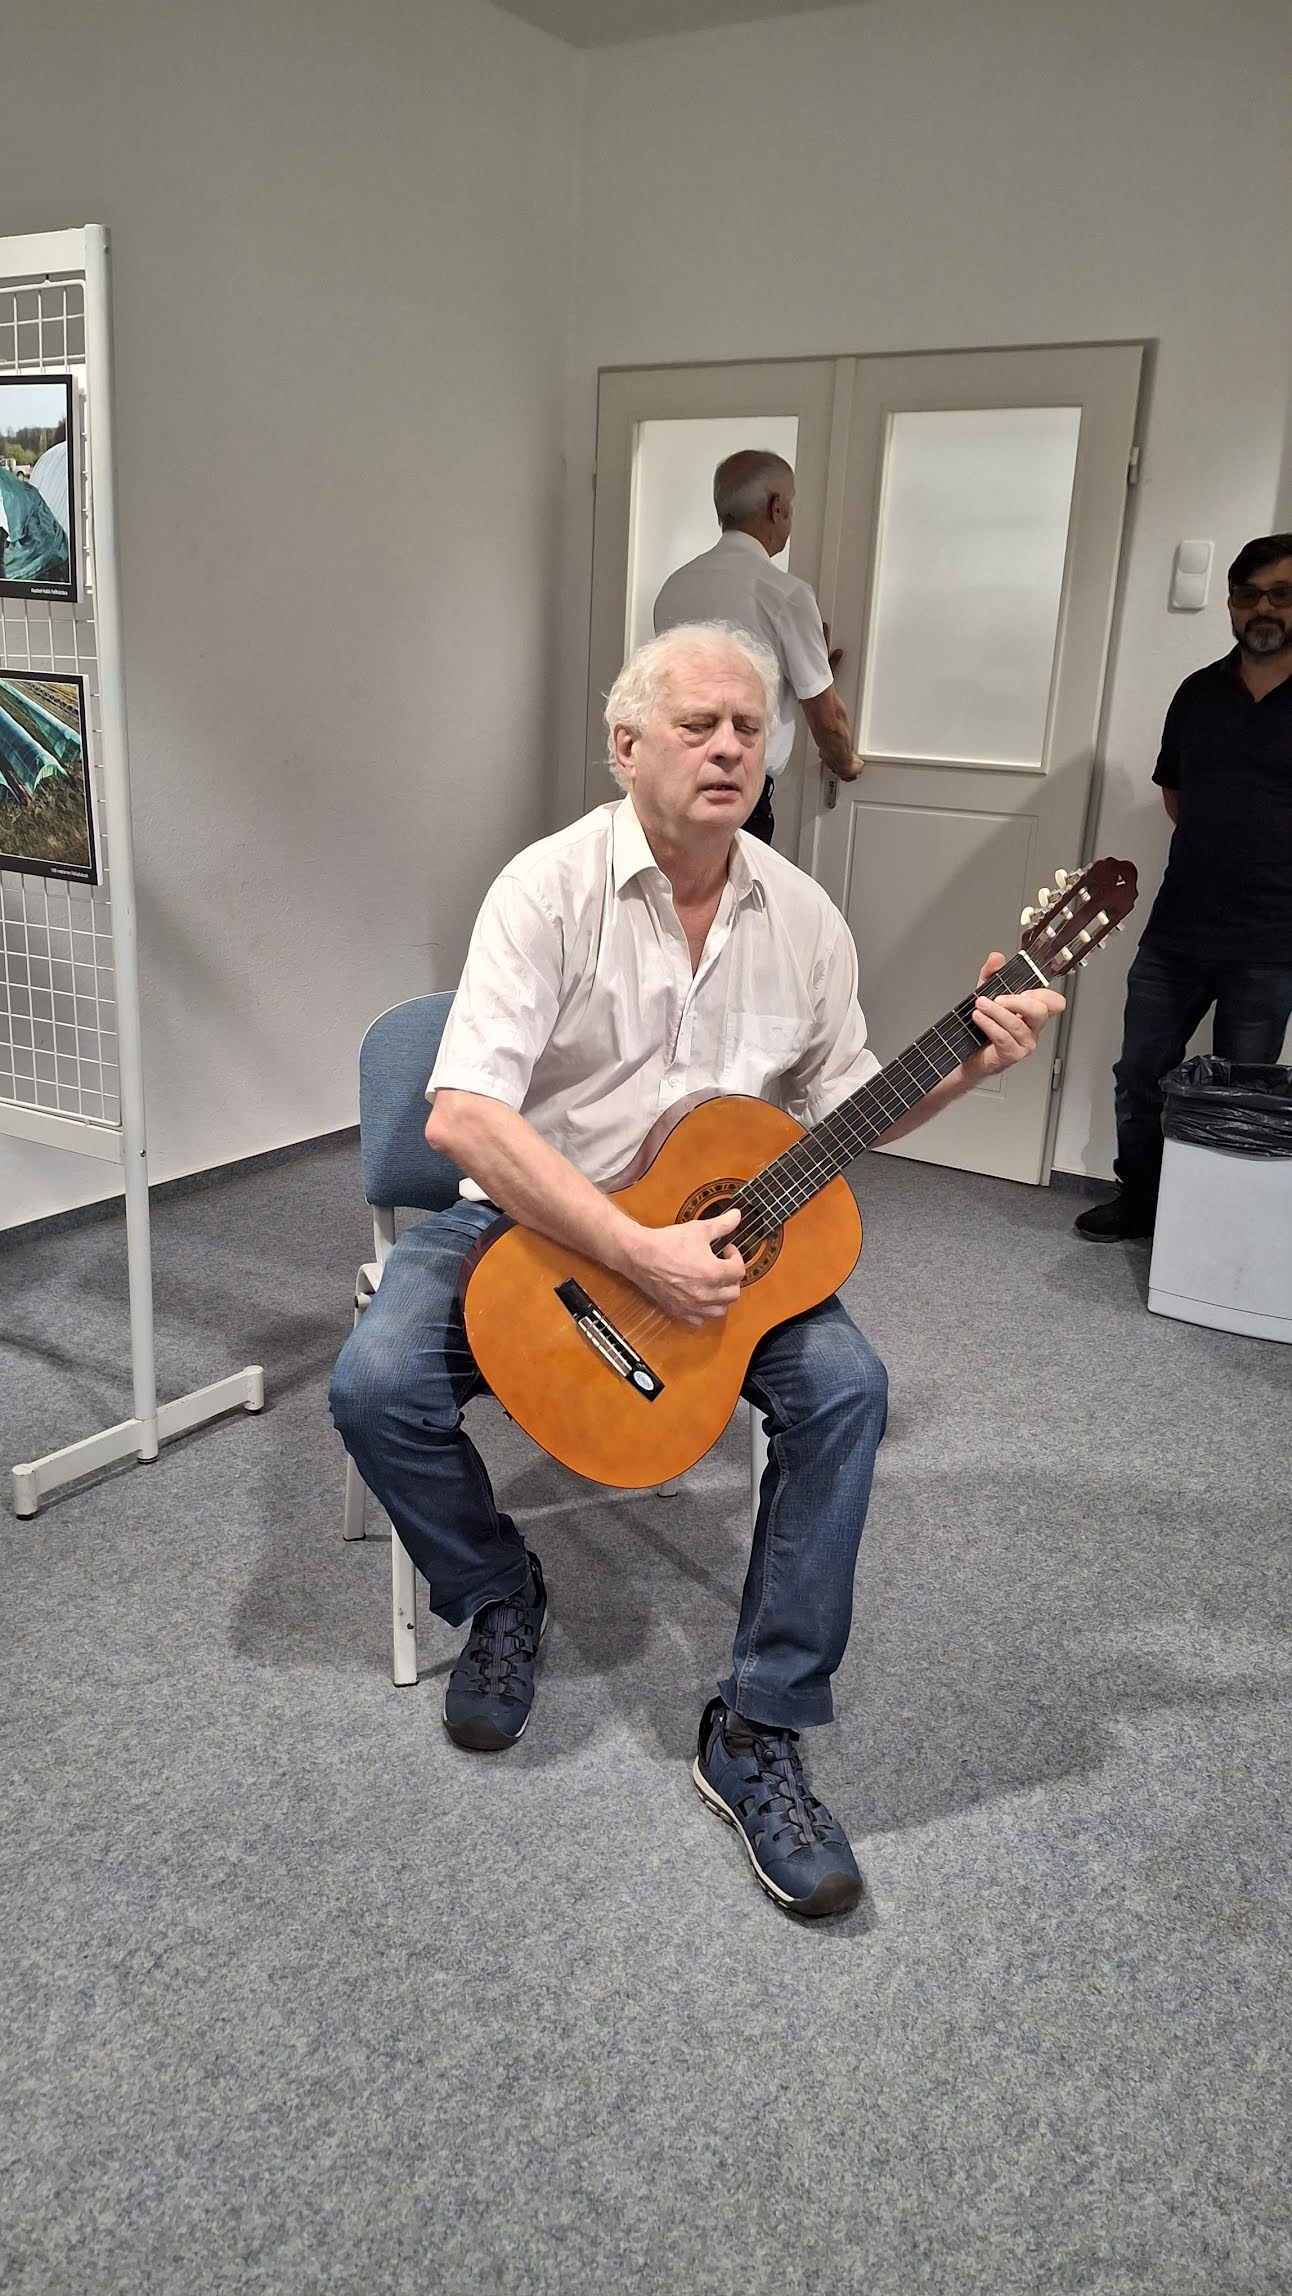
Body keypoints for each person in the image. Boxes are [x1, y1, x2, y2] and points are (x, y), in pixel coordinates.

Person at [329, 623, 1063, 1919]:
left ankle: (757, 1726)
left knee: (846, 1389)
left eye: (750, 727)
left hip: (721, 1247)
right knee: (375, 1384)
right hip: (535, 1225)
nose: (731, 747)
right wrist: (633, 1251)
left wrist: (969, 1063)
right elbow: (464, 1121)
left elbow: (846, 1110)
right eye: (697, 725)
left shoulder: (805, 919)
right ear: (626, 748)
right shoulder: (545, 890)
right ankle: (499, 1589)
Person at [1076, 533, 1292, 1241]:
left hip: (1272, 940)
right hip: (1178, 928)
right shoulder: (1198, 692)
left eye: (1282, 595)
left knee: (1240, 1095)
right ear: (1231, 605)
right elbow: (1176, 797)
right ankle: (1140, 1199)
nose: (1264, 609)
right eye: (1248, 595)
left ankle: (1212, 1230)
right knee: (1140, 1072)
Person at [651, 449, 863, 846]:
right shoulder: (785, 595)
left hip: (676, 782)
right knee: (735, 886)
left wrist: (800, 671)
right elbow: (828, 721)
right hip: (738, 792)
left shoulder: (675, 586)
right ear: (776, 506)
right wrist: (847, 764)